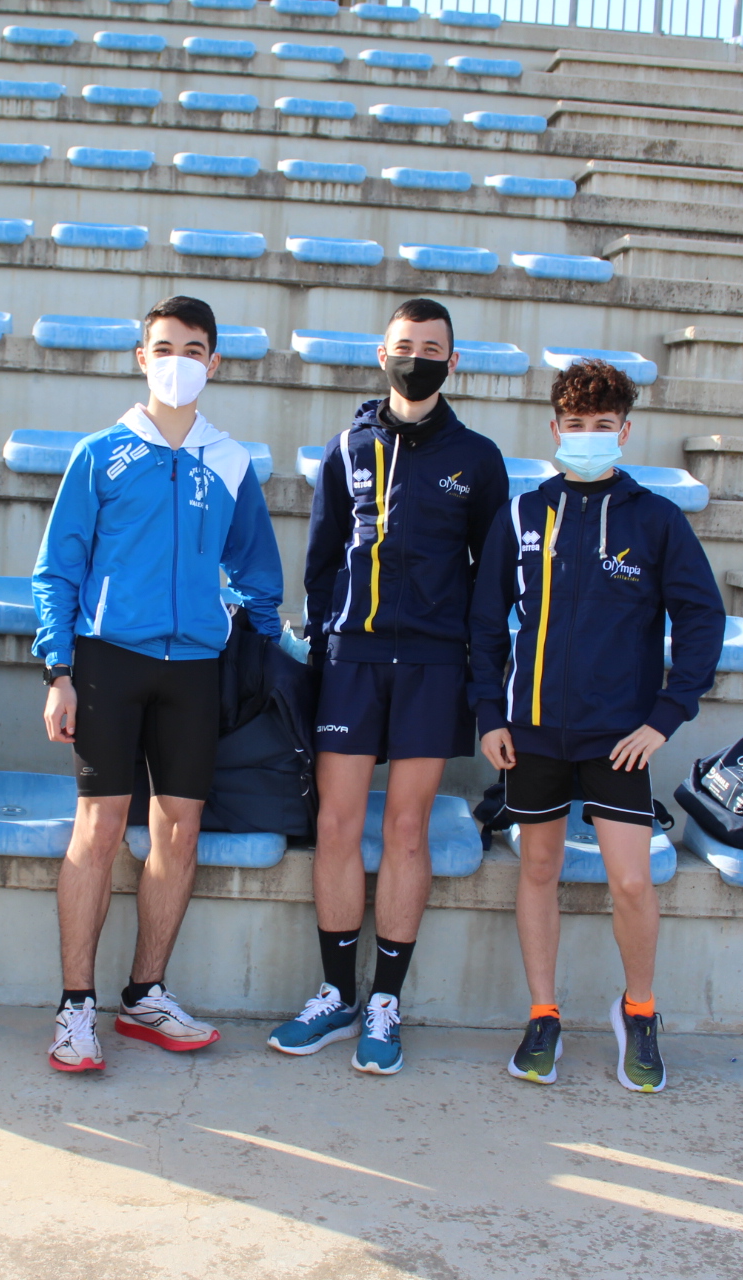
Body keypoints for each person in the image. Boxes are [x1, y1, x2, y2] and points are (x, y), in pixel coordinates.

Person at [33, 295, 284, 1073]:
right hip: (108, 662)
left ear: (215, 362)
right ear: (142, 358)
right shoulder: (100, 454)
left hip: (195, 671)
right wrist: (59, 670)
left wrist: (253, 643)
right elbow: (57, 570)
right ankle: (75, 1008)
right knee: (100, 828)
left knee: (178, 830)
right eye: (164, 347)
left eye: (194, 349)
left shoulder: (230, 461)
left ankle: (145, 995)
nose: (179, 361)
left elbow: (258, 570)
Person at [468, 358, 723, 1093]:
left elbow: (702, 619)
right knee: (538, 869)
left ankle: (638, 1011)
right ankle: (542, 1013)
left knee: (632, 881)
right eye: (575, 424)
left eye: (602, 425)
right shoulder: (522, 515)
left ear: (625, 432)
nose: (587, 435)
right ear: (555, 430)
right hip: (532, 733)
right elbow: (483, 625)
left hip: (619, 739)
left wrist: (665, 718)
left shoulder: (656, 519)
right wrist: (490, 714)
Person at [268, 298, 507, 1076]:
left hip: (434, 663)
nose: (417, 359)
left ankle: (384, 1002)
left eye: (432, 349)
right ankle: (337, 994)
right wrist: (322, 646)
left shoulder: (478, 459)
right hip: (352, 660)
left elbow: (491, 580)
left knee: (406, 830)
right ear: (382, 353)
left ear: (453, 362)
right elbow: (323, 556)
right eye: (406, 346)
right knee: (337, 823)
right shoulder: (347, 447)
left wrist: (482, 678)